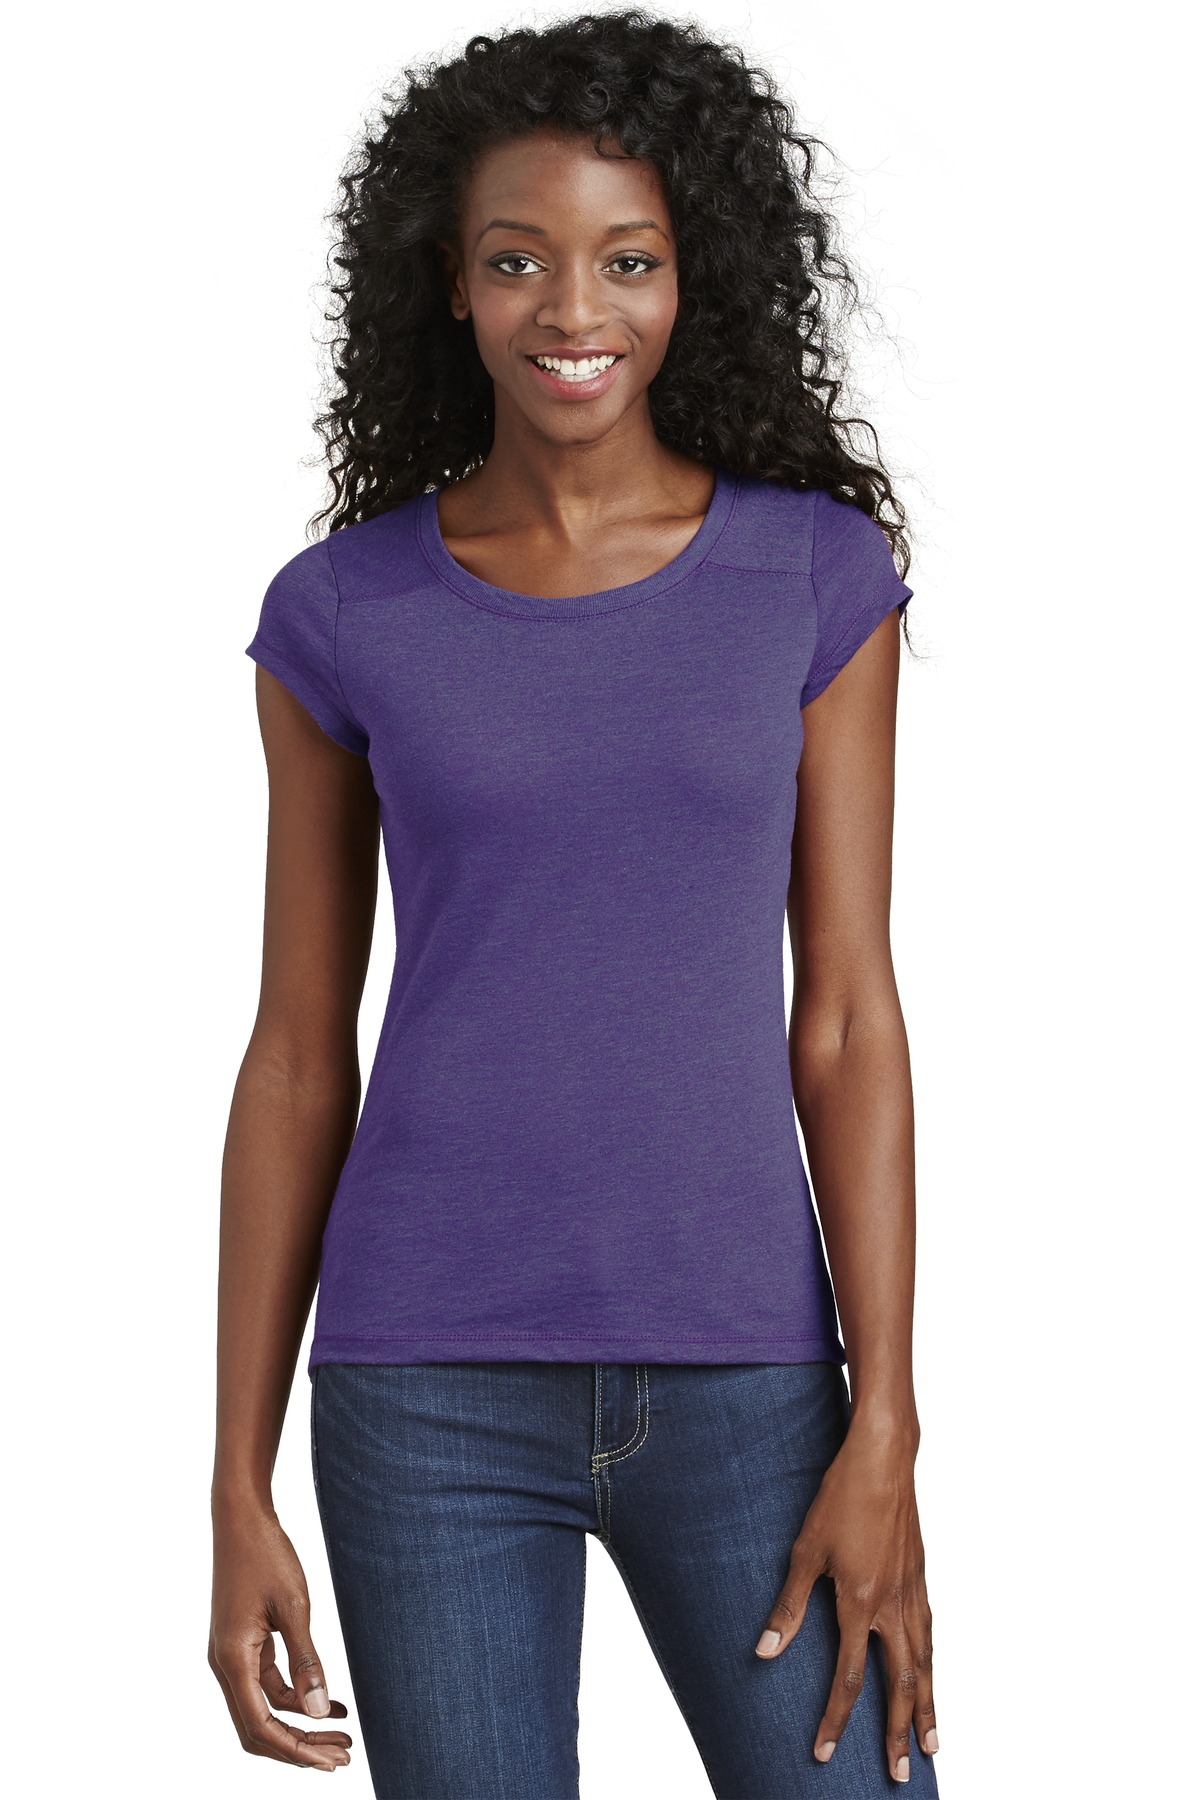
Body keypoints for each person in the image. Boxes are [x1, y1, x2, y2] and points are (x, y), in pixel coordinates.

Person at [207, 10, 941, 1796]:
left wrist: (887, 1427)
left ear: (695, 278)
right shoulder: (343, 614)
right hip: (425, 1390)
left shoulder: (812, 576)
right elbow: (298, 1051)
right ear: (451, 287)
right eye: (516, 259)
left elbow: (847, 1015)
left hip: (752, 1378)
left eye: (628, 258)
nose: (572, 309)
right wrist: (235, 1481)